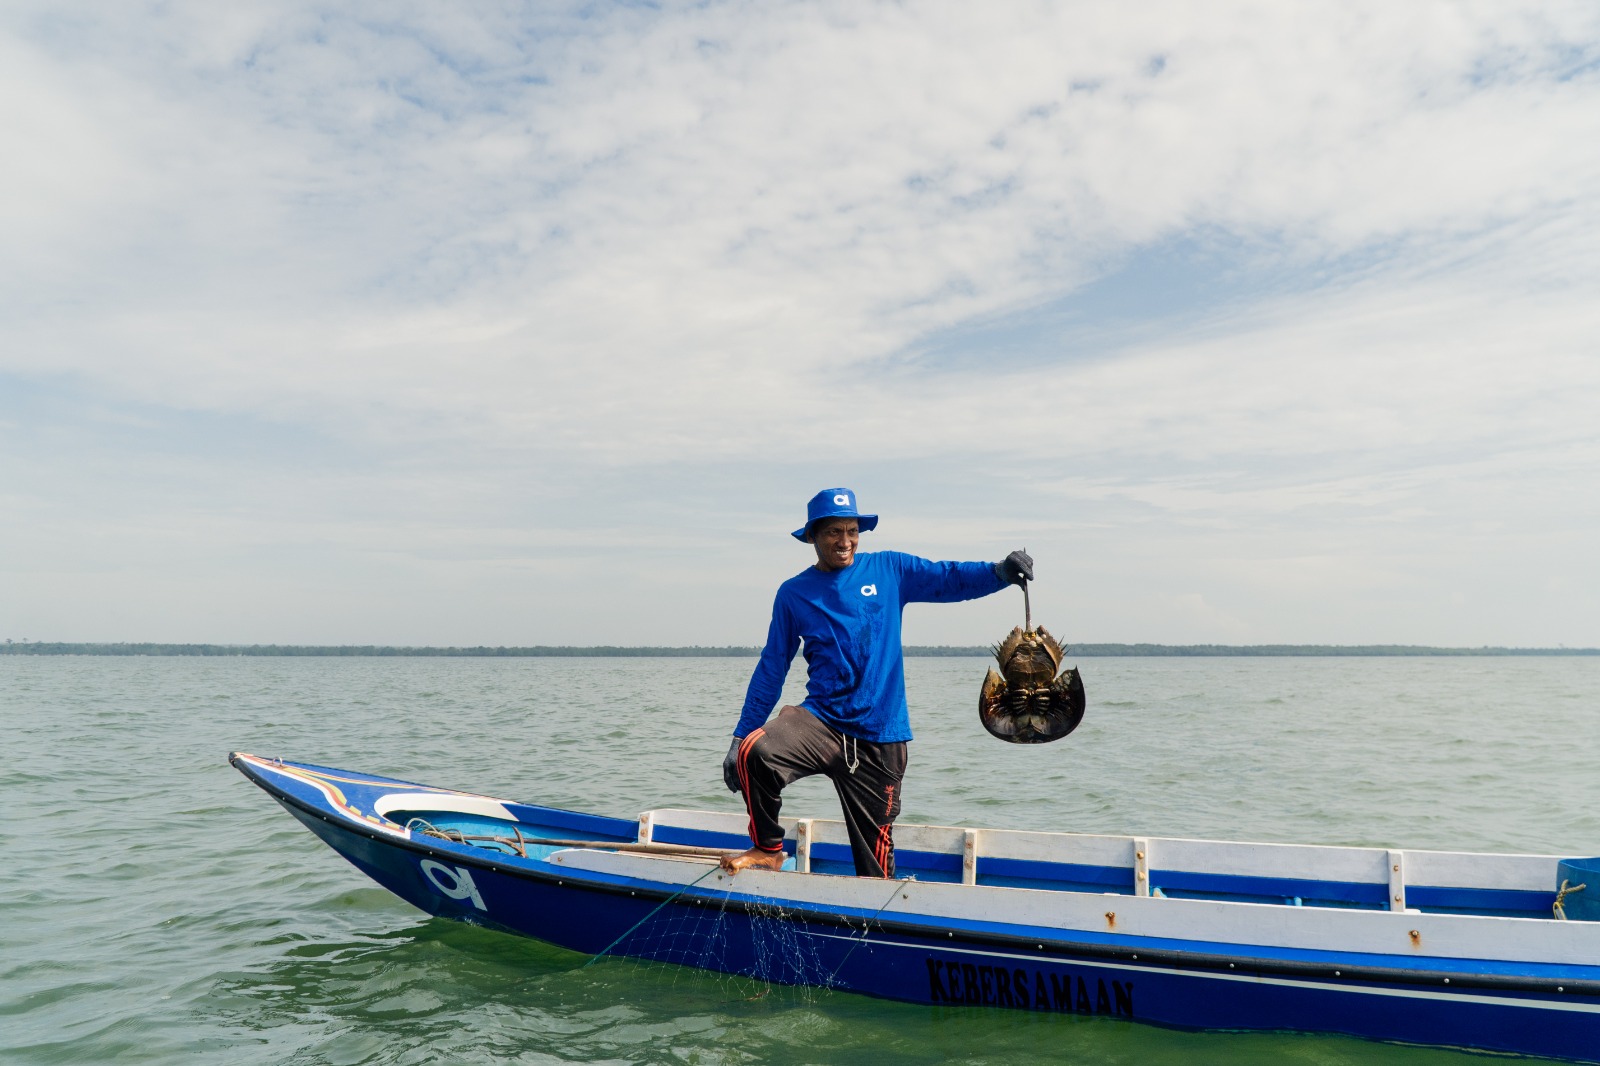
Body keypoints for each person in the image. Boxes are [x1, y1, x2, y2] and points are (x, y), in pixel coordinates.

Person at [720, 487, 1032, 878]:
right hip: (821, 722)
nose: (845, 540)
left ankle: (877, 915)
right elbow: (772, 668)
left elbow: (948, 577)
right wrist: (738, 736)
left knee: (875, 867)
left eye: (852, 530)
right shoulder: (793, 593)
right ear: (813, 536)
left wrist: (1000, 572)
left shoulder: (890, 570)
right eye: (834, 532)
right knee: (755, 752)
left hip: (881, 735)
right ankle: (768, 849)